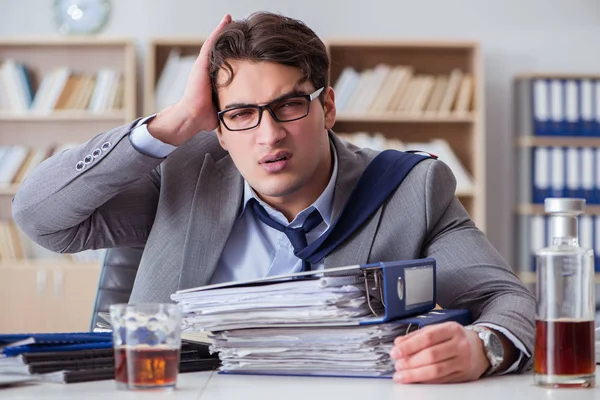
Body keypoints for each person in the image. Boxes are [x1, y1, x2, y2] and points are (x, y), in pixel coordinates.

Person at [12, 11, 534, 384]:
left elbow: (508, 300)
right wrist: (171, 125)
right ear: (217, 127)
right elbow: (39, 216)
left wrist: (483, 347)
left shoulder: (409, 189)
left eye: (288, 106)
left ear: (327, 106)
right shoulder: (182, 174)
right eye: (240, 114)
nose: (268, 136)